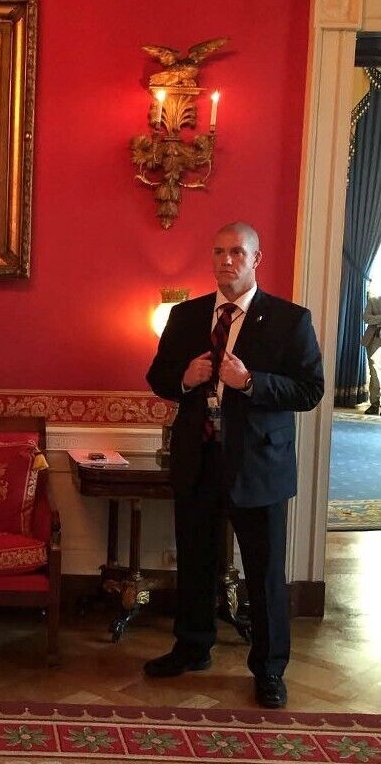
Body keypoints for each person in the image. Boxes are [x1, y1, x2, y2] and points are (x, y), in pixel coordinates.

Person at [145, 222, 324, 709]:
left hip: (258, 465)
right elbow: (158, 377)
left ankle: (269, 669)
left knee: (264, 572)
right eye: (219, 251)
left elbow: (310, 390)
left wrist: (251, 382)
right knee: (195, 560)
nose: (226, 260)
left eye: (237, 252)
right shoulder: (185, 316)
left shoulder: (290, 320)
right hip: (198, 459)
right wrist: (185, 378)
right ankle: (192, 646)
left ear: (255, 259)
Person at [361, 291, 381, 415]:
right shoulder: (373, 300)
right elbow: (366, 318)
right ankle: (374, 404)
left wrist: (376, 318)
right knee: (374, 372)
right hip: (374, 340)